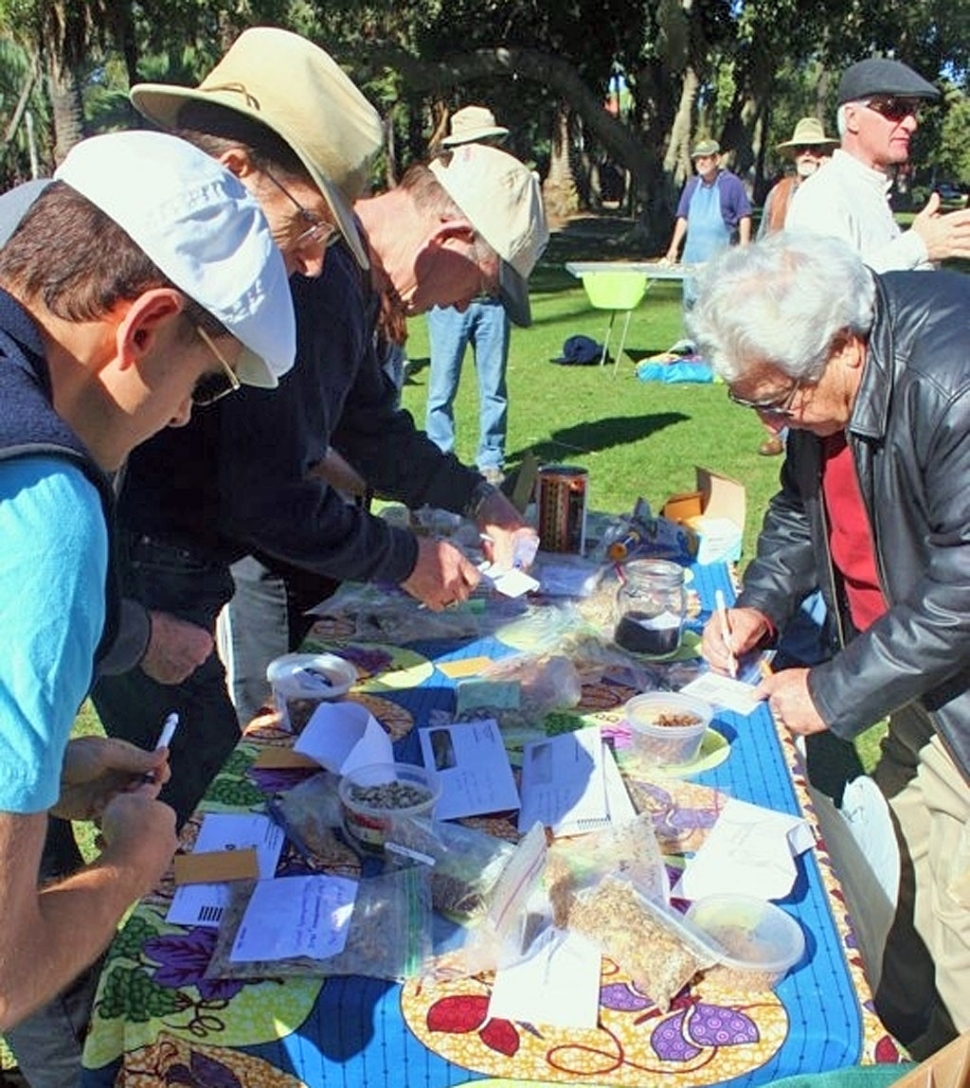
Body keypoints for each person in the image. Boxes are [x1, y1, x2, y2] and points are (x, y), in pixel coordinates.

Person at [91, 38, 547, 825]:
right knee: (201, 802)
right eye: (472, 289)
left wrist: (478, 499)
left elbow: (371, 427)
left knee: (192, 792)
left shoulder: (337, 281)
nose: (454, 310)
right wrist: (406, 558)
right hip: (148, 564)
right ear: (448, 241)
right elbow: (270, 495)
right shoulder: (321, 284)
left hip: (153, 567)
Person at [0, 129, 295, 1081]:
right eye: (198, 385)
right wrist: (132, 864)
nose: (177, 417)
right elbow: (4, 976)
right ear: (144, 326)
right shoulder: (45, 512)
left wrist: (55, 770)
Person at [691, 232, 970, 1060]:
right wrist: (760, 605)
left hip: (955, 684)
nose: (774, 427)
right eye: (756, 407)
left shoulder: (952, 382)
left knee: (956, 910)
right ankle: (908, 1044)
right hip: (926, 679)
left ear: (845, 347)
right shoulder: (830, 374)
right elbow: (796, 509)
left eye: (777, 403)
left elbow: (964, 585)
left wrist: (831, 691)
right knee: (892, 881)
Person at [786, 57, 970, 269]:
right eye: (894, 108)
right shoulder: (823, 196)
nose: (911, 123)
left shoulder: (869, 191)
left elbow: (891, 285)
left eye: (913, 110)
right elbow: (832, 294)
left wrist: (928, 256)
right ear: (852, 118)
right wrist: (917, 246)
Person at [425, 105, 521, 485]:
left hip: (492, 303)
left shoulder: (508, 185)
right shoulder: (440, 185)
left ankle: (491, 458)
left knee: (493, 386)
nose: (486, 150)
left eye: (489, 143)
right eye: (479, 143)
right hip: (448, 302)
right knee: (441, 386)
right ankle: (439, 455)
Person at [756, 116, 838, 455]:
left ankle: (811, 442)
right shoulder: (780, 192)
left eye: (813, 148)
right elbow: (762, 242)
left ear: (823, 152)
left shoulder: (835, 191)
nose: (807, 154)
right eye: (801, 148)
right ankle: (782, 434)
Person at [662, 137, 751, 307]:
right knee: (691, 307)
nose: (701, 162)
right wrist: (673, 248)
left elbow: (744, 215)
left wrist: (744, 246)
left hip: (719, 261)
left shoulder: (732, 184)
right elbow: (683, 218)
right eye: (697, 159)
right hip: (691, 259)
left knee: (717, 307)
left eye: (705, 158)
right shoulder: (691, 186)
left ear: (716, 159)